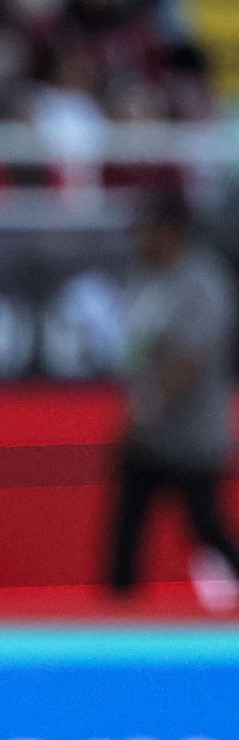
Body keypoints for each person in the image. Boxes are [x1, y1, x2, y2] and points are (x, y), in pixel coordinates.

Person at [106, 188, 239, 594]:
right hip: (148, 436)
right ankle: (118, 612)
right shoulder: (145, 277)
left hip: (192, 435)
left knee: (205, 525)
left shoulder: (202, 281)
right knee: (126, 527)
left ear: (171, 233)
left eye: (147, 231)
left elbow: (192, 356)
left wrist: (151, 399)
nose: (140, 241)